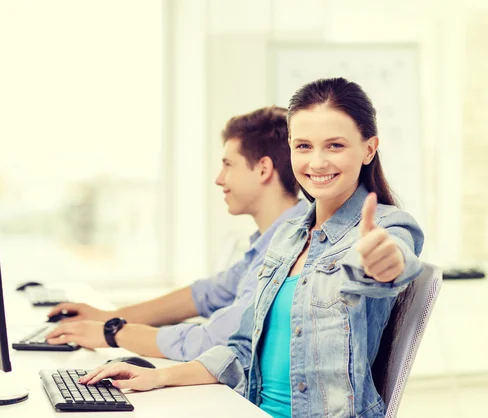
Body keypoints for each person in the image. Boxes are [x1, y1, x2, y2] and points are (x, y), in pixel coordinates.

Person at [78, 78, 425, 418]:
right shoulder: (286, 235)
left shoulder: (387, 226)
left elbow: (395, 263)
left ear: (369, 149)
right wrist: (158, 377)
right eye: (303, 146)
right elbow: (240, 348)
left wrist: (384, 263)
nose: (317, 162)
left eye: (335, 145)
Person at [45, 106, 308, 361]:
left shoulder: (293, 248)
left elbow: (212, 341)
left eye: (228, 164)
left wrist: (113, 333)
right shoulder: (269, 242)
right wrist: (107, 316)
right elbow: (205, 294)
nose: (219, 179)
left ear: (263, 169)